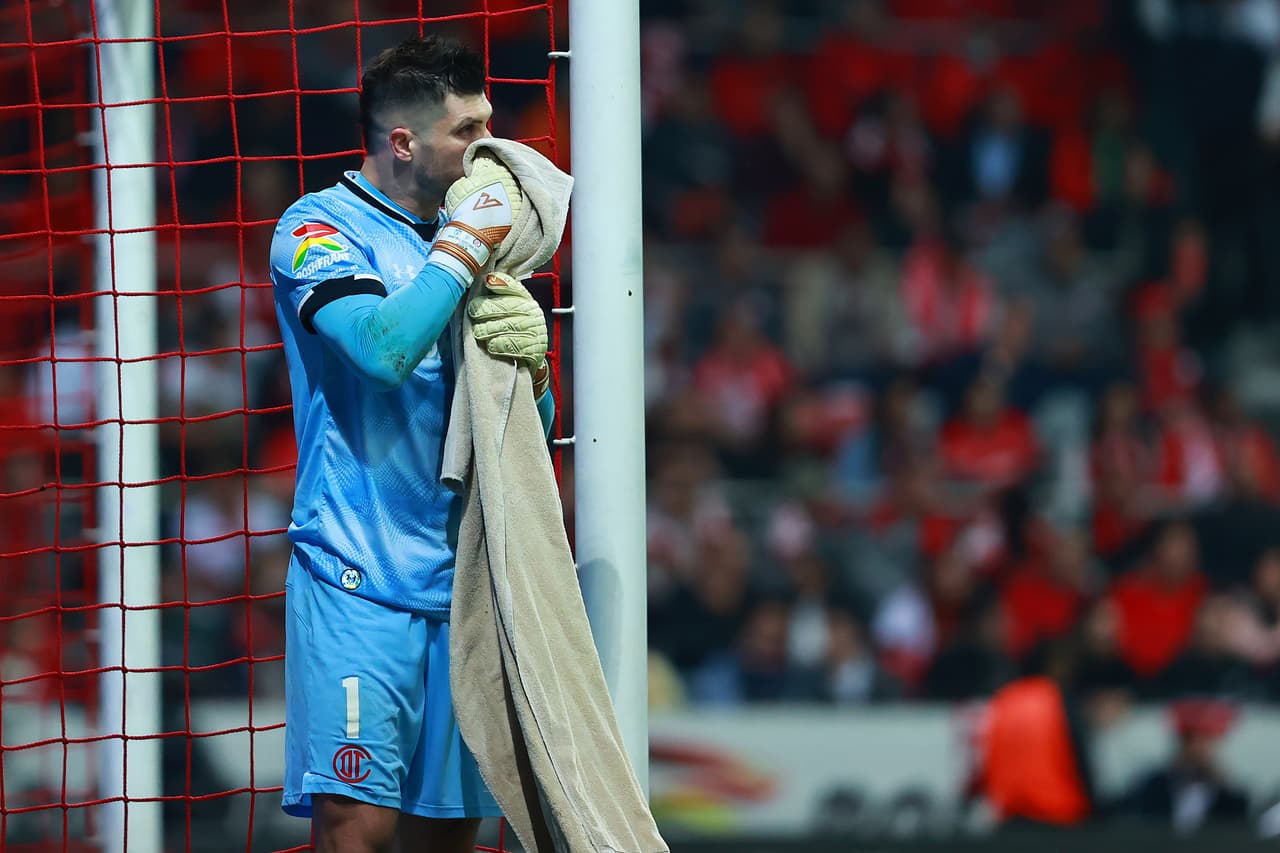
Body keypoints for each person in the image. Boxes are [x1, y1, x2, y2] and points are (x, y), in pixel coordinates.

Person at [268, 36, 555, 853]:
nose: (488, 148)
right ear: (404, 142)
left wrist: (533, 370)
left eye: (488, 124)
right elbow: (383, 352)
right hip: (358, 574)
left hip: (464, 586)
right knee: (357, 827)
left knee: (452, 838)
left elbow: (522, 435)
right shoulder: (319, 227)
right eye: (467, 131)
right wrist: (463, 252)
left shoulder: (477, 238)